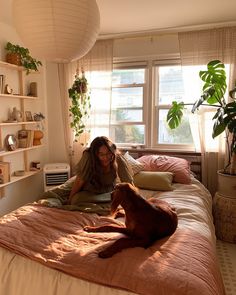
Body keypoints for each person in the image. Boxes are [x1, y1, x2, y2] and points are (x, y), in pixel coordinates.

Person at [67, 136, 133, 205]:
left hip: (108, 193)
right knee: (75, 199)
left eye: (108, 153)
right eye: (101, 154)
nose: (106, 158)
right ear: (95, 155)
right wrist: (69, 200)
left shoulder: (117, 157)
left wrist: (137, 200)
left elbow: (128, 182)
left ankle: (104, 206)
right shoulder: (89, 158)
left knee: (123, 197)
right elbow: (79, 181)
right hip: (89, 191)